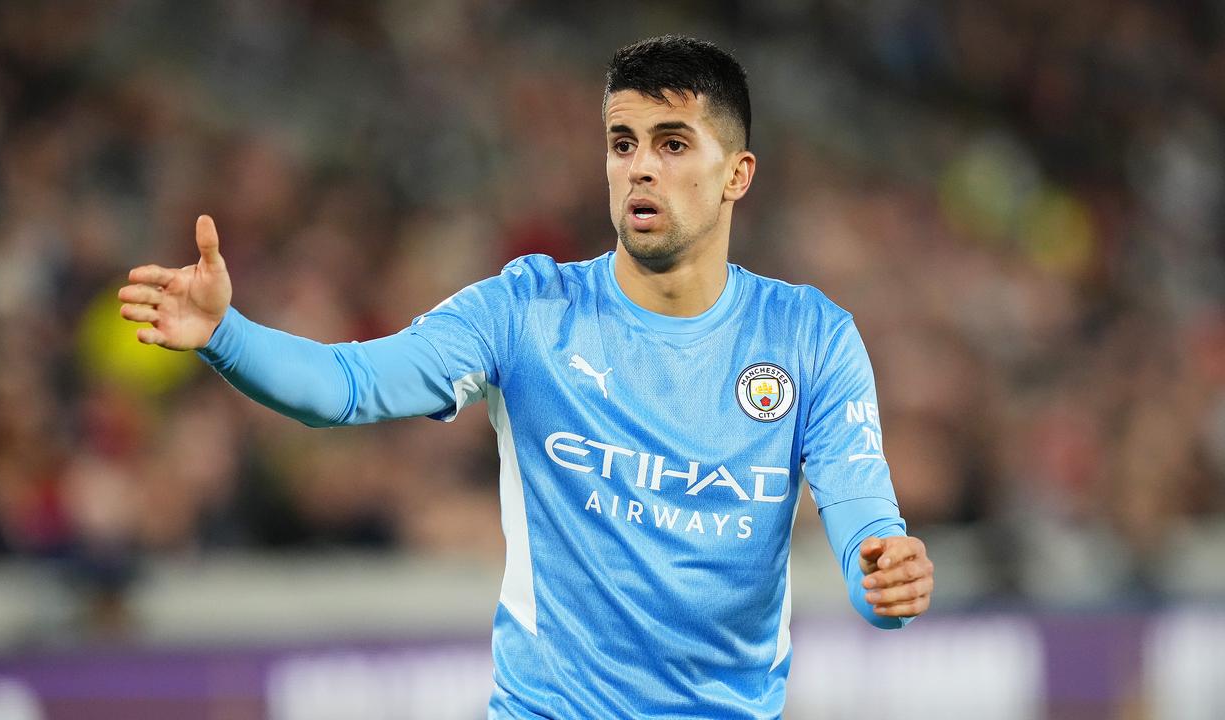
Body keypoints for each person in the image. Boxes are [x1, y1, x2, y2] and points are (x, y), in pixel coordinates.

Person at [118, 35, 934, 720]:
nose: (639, 168)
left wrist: (887, 587)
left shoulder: (809, 338)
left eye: (672, 143)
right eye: (623, 143)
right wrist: (226, 334)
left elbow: (867, 533)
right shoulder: (527, 311)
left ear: (737, 175)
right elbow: (349, 387)